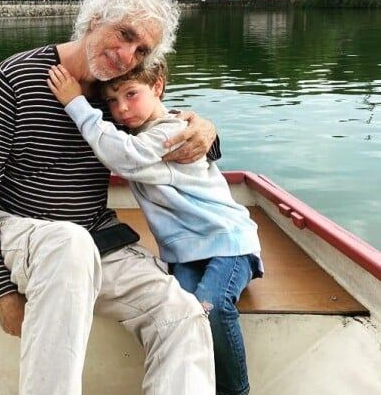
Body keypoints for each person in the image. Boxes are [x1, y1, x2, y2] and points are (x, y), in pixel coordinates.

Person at [0, 0, 219, 395]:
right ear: (95, 18)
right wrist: (0, 292)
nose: (128, 55)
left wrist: (207, 132)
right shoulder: (15, 78)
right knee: (69, 244)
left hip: (97, 242)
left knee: (183, 314)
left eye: (142, 50)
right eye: (125, 34)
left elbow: (161, 134)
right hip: (24, 235)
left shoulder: (117, 98)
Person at [47, 58, 263, 395]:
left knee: (212, 306)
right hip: (185, 253)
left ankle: (237, 391)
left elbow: (123, 156)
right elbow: (113, 140)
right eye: (112, 102)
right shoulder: (138, 131)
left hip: (228, 245)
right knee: (185, 310)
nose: (121, 109)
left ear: (158, 86)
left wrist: (75, 103)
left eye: (131, 95)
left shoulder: (171, 133)